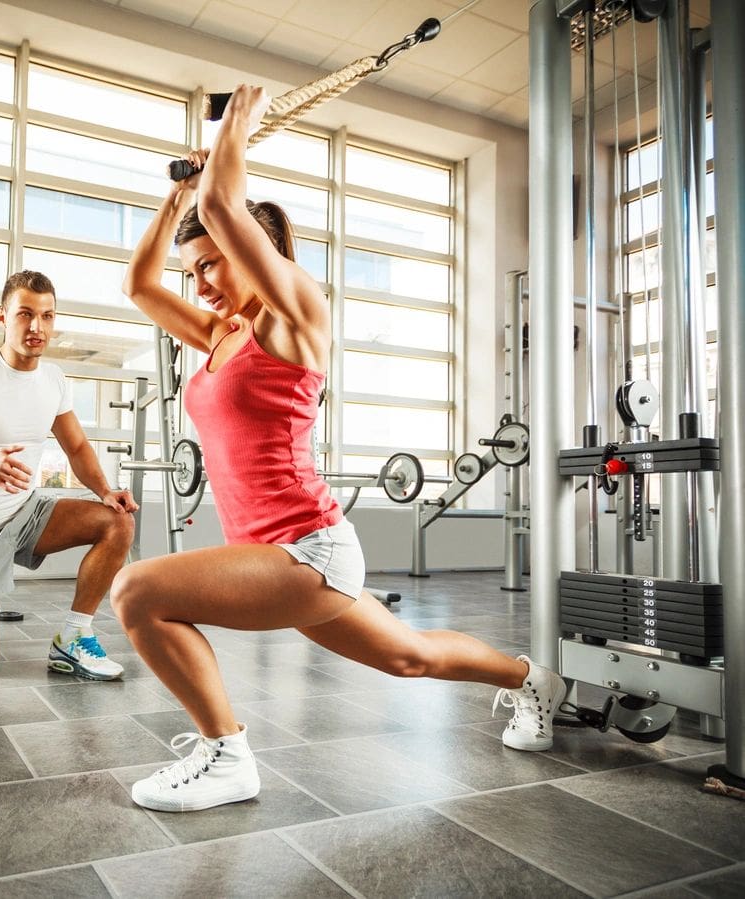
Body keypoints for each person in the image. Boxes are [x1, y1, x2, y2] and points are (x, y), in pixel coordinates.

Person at [113, 85, 566, 813]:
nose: (199, 282)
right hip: (267, 558)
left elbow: (230, 211)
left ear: (249, 253)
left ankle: (224, 755)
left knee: (138, 590)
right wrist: (178, 201)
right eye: (192, 269)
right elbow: (138, 283)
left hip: (303, 551)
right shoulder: (220, 336)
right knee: (406, 656)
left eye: (212, 264)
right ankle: (532, 679)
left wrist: (236, 130)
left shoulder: (295, 316)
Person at [0, 270, 137, 680]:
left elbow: (76, 447)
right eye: (25, 314)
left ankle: (73, 638)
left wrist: (106, 490)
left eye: (48, 316)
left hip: (27, 513)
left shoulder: (53, 379)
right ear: (2, 316)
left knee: (118, 522)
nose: (37, 327)